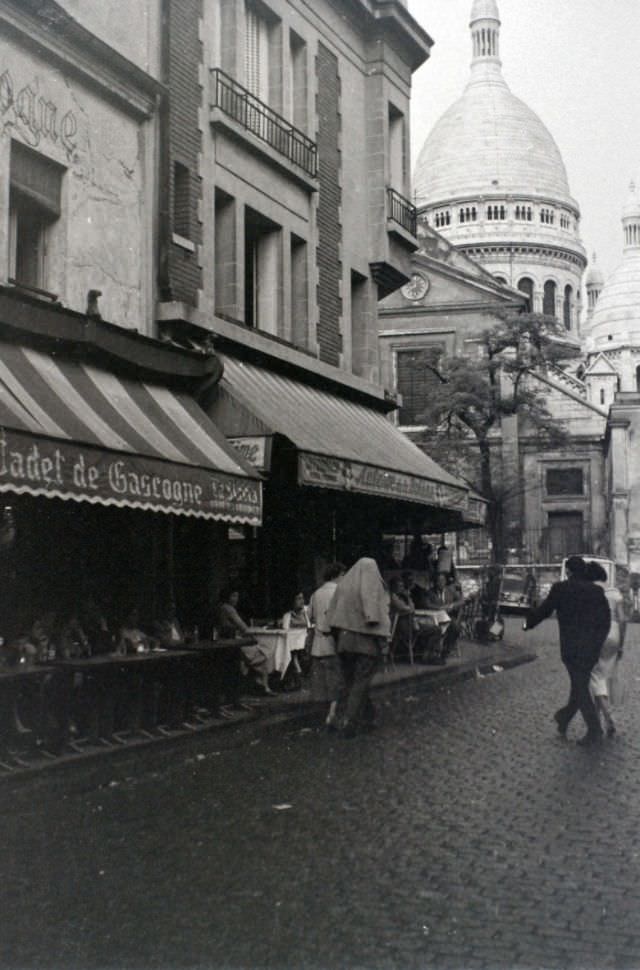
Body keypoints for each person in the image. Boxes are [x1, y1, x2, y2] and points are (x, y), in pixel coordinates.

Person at [524, 555, 611, 746]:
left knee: (579, 687)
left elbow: (544, 611)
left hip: (571, 649)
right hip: (590, 650)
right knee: (579, 685)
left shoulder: (560, 589)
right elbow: (605, 621)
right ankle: (564, 718)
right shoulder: (596, 591)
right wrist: (597, 644)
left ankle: (594, 730)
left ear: (569, 571)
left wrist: (527, 623)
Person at [326, 556, 390, 738]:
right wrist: (383, 639)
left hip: (344, 642)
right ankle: (349, 722)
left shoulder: (345, 584)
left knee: (350, 681)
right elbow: (373, 611)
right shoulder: (369, 577)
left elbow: (331, 615)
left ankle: (365, 717)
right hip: (365, 643)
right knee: (360, 682)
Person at [586, 562, 626, 737]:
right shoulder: (614, 593)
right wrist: (621, 644)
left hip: (597, 633)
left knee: (595, 676)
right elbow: (623, 619)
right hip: (615, 633)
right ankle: (597, 720)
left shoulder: (590, 592)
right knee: (606, 675)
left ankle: (608, 717)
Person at [217, 587, 273, 699]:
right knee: (264, 652)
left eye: (237, 596)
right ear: (227, 597)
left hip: (226, 641)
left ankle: (259, 683)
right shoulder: (228, 609)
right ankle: (263, 685)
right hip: (232, 642)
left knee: (258, 651)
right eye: (233, 596)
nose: (236, 599)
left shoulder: (220, 607)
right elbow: (242, 627)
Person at [308, 562, 345, 730]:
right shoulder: (339, 592)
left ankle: (321, 715)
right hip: (334, 642)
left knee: (320, 681)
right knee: (336, 680)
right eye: (343, 575)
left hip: (318, 643)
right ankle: (332, 714)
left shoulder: (316, 594)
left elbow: (311, 617)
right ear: (337, 575)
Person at [425, 573, 465, 661]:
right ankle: (434, 652)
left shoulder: (450, 591)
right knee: (435, 630)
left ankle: (446, 650)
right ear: (435, 582)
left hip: (449, 616)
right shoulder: (430, 592)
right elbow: (427, 604)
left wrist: (452, 605)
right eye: (438, 581)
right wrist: (440, 608)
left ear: (445, 581)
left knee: (456, 628)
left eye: (442, 580)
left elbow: (461, 601)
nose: (440, 583)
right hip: (436, 618)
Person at [280, 592, 311, 690]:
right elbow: (285, 632)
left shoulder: (307, 611)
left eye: (302, 598)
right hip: (294, 645)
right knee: (293, 655)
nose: (302, 601)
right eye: (298, 599)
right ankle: (297, 680)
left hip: (307, 642)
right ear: (292, 602)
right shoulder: (287, 616)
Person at [388, 576, 415, 661]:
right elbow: (408, 608)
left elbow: (411, 608)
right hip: (394, 628)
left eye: (402, 586)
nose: (402, 588)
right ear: (393, 587)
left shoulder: (399, 597)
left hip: (399, 627)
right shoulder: (393, 597)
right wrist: (408, 597)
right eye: (399, 586)